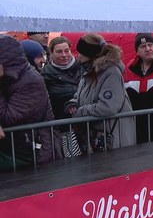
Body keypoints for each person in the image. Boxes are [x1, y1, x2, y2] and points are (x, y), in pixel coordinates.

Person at [65, 33, 135, 151]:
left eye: (81, 53)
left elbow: (108, 107)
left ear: (90, 55)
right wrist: (73, 103)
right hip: (96, 138)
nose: (78, 56)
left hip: (113, 138)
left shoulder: (111, 72)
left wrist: (80, 111)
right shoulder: (89, 71)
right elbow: (81, 94)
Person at [0, 34, 59, 170]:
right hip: (14, 147)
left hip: (30, 151)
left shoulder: (30, 81)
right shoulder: (9, 79)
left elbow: (10, 118)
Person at [42, 36, 82, 121]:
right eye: (59, 52)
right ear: (51, 53)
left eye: (66, 51)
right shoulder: (46, 74)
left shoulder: (83, 67)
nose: (64, 55)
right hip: (63, 124)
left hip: (88, 122)